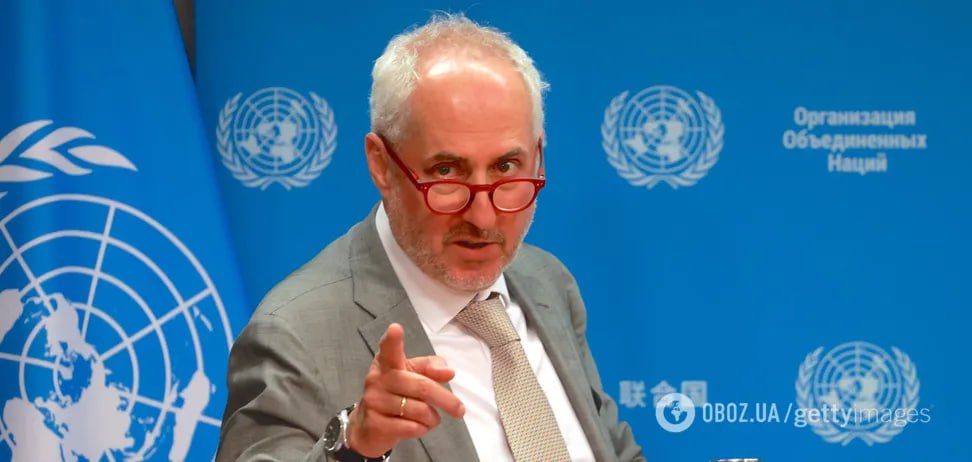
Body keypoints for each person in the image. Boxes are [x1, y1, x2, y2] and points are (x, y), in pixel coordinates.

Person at [217, 13, 645, 462]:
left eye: (505, 168)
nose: (483, 217)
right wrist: (354, 448)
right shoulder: (294, 335)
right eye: (446, 172)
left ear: (538, 154)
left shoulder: (547, 282)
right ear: (381, 165)